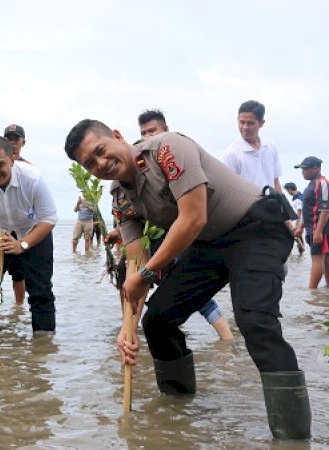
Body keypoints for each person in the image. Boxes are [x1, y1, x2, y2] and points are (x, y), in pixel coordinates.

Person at [64, 119, 310, 440]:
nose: (101, 164)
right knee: (158, 321)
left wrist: (148, 273)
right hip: (209, 246)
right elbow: (137, 263)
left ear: (117, 137)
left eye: (101, 151)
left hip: (258, 227)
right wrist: (128, 331)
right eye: (90, 164)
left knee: (255, 321)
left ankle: (292, 438)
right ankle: (176, 421)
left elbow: (194, 217)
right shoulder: (120, 198)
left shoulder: (167, 149)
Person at [131, 109, 234, 340]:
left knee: (194, 291)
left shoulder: (174, 156)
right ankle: (133, 333)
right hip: (156, 241)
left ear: (165, 130)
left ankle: (227, 341)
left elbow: (191, 214)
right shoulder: (141, 168)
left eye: (153, 131)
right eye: (143, 133)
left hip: (182, 239)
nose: (148, 137)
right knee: (157, 293)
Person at [0, 136, 58, 335]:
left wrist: (22, 245)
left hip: (33, 233)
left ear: (12, 161)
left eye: (0, 164)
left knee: (40, 291)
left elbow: (49, 218)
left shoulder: (32, 178)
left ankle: (42, 350)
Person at [295, 156, 329, 288]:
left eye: (305, 169)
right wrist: (301, 227)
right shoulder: (311, 185)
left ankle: (312, 292)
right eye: (302, 169)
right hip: (313, 226)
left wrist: (318, 231)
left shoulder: (322, 183)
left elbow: (326, 208)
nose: (303, 172)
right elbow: (308, 209)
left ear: (316, 168)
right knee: (325, 258)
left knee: (318, 258)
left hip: (320, 227)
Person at [222, 100, 282, 192]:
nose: (245, 127)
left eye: (250, 123)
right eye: (242, 122)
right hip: (246, 205)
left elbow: (275, 181)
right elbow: (226, 188)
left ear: (261, 123)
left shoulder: (270, 147)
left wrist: (281, 205)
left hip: (271, 204)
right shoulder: (231, 154)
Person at [4, 124, 31, 304]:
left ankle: (18, 307)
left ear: (23, 142)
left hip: (22, 227)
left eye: (16, 139)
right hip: (0, 227)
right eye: (8, 139)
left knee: (19, 273)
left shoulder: (28, 168)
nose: (12, 143)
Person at [284, 181, 306, 254]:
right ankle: (301, 257)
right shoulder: (296, 197)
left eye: (287, 190)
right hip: (297, 221)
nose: (287, 192)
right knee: (297, 238)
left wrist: (297, 224)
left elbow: (299, 212)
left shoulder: (298, 198)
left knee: (296, 237)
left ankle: (301, 251)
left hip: (298, 221)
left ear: (290, 189)